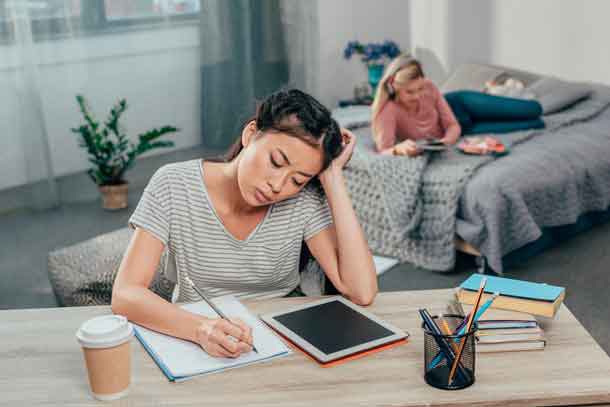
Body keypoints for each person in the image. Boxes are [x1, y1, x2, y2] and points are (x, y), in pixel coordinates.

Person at [111, 89, 378, 359]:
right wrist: (201, 328)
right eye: (276, 162)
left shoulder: (303, 201)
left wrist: (332, 176)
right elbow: (126, 293)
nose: (277, 186)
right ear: (251, 134)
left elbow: (362, 292)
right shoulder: (173, 184)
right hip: (193, 337)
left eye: (298, 180)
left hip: (282, 339)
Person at [371, 54, 544, 157]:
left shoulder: (430, 87)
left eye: (420, 88)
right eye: (410, 92)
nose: (417, 96)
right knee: (536, 123)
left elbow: (452, 124)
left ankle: (504, 90)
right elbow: (383, 150)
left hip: (463, 105)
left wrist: (447, 140)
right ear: (394, 86)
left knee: (534, 109)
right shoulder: (389, 111)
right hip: (468, 128)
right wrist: (398, 150)